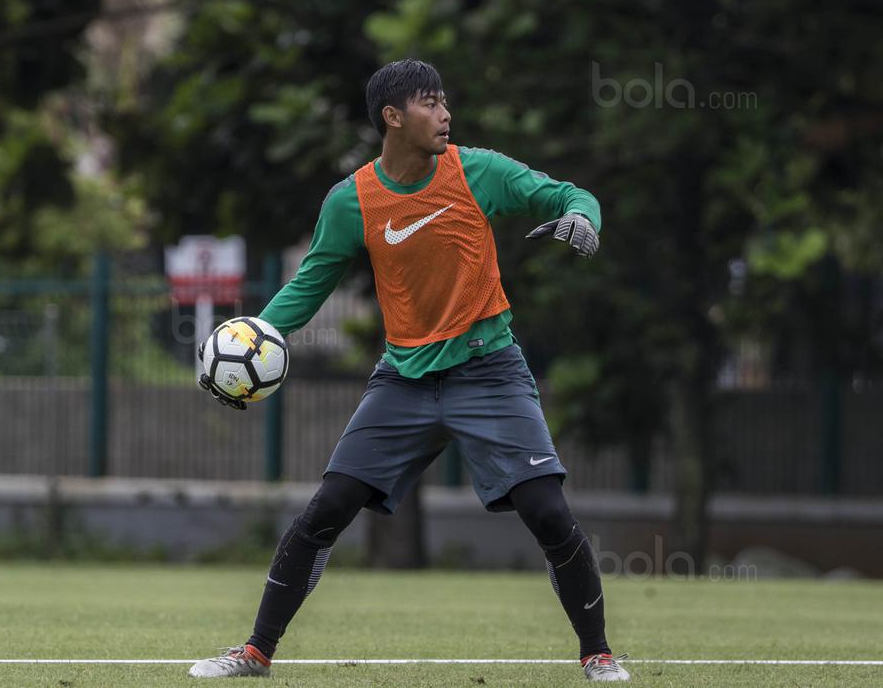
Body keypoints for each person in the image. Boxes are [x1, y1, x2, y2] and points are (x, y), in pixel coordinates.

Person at [190, 58, 628, 682]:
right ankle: (255, 653)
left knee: (548, 512)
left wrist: (584, 218)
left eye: (445, 101)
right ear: (393, 117)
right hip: (404, 381)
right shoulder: (352, 200)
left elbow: (566, 194)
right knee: (327, 508)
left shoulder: (477, 171)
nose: (446, 114)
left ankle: (598, 654)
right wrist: (249, 342)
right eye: (430, 103)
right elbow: (310, 284)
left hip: (490, 371)